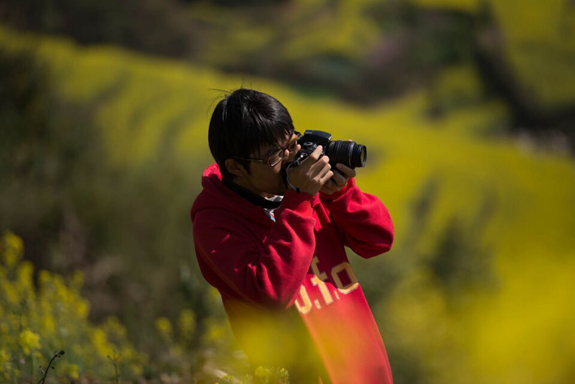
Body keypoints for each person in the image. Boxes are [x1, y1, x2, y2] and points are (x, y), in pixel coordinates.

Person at [190, 88, 395, 384]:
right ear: (236, 167)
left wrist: (341, 194)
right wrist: (298, 202)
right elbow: (271, 293)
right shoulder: (215, 223)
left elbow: (379, 239)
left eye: (292, 144)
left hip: (362, 370)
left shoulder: (304, 189)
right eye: (275, 155)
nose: (291, 158)